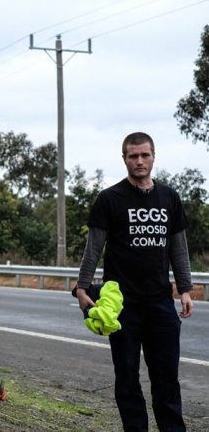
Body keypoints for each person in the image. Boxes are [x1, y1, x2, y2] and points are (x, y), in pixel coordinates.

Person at [76, 132, 194, 432]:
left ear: (153, 156)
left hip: (160, 302)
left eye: (144, 155)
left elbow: (178, 247)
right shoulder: (109, 199)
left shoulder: (169, 197)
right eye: (133, 156)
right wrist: (81, 286)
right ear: (124, 158)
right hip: (122, 304)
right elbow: (94, 248)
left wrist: (185, 289)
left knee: (166, 378)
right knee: (127, 378)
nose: (139, 161)